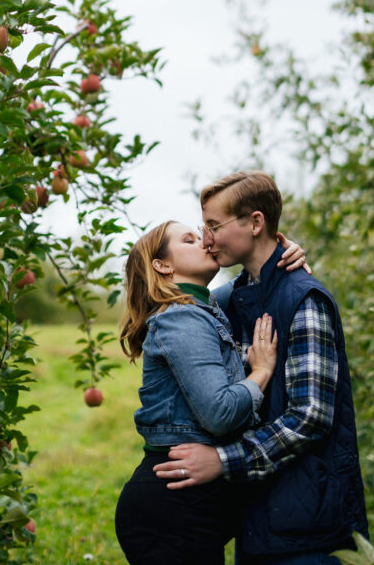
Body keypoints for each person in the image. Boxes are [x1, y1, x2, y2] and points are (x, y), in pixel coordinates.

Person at [153, 171, 368, 565]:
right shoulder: (235, 299)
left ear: (255, 223)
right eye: (203, 229)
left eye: (214, 226)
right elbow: (177, 299)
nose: (207, 239)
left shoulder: (305, 301)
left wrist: (221, 461)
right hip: (258, 517)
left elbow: (310, 417)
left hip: (310, 531)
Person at [115, 218, 307, 565]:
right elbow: (218, 413)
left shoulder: (204, 306)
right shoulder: (182, 317)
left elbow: (251, 280)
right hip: (172, 508)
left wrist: (282, 253)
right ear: (163, 265)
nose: (204, 241)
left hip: (187, 504)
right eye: (189, 239)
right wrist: (261, 372)